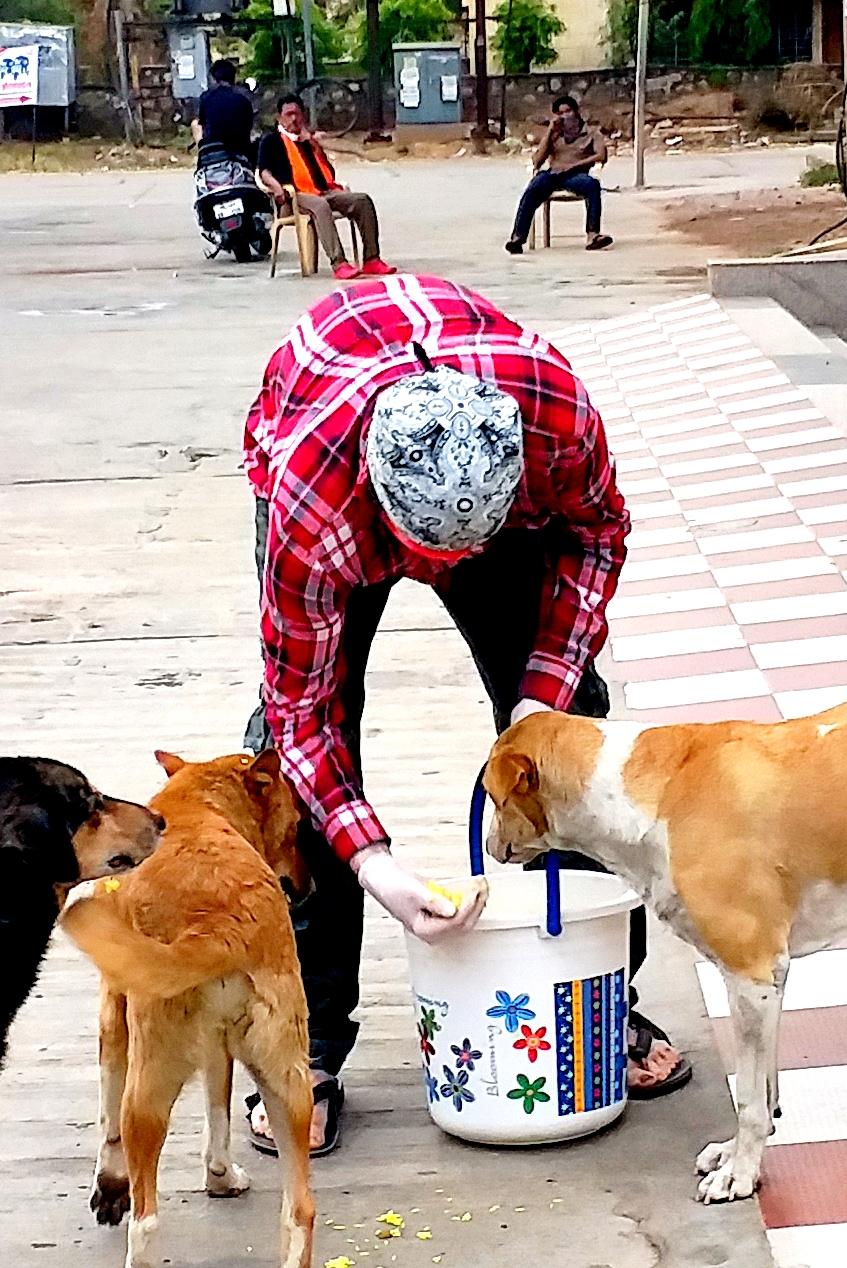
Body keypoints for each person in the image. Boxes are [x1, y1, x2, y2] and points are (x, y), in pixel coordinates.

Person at [242, 271, 686, 1152]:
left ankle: (599, 998)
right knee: (279, 772)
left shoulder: (552, 413)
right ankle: (306, 1044)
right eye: (428, 556)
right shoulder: (315, 504)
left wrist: (542, 693)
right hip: (322, 423)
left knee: (574, 731)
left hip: (495, 476)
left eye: (466, 552)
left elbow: (598, 534)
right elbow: (305, 715)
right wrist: (374, 863)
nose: (448, 570)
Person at [265, 93, 382, 273]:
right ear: (279, 117)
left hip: (323, 191)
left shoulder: (307, 139)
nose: (294, 119)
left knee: (362, 201)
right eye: (289, 114)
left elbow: (328, 171)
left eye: (297, 114)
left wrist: (313, 144)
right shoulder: (271, 140)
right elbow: (263, 171)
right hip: (294, 197)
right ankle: (339, 263)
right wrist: (276, 188)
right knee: (320, 206)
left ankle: (371, 259)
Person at [512, 93, 612, 252]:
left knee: (592, 185)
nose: (565, 116)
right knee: (532, 190)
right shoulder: (554, 134)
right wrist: (549, 132)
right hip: (553, 174)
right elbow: (537, 161)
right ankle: (518, 238)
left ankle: (593, 235)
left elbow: (601, 156)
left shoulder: (592, 132)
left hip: (575, 175)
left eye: (568, 111)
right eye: (560, 113)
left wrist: (573, 165)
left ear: (576, 111)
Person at [193, 59, 262, 248]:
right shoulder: (243, 99)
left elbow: (202, 123)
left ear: (214, 78)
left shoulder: (206, 98)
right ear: (234, 78)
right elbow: (248, 129)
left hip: (211, 154)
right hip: (240, 153)